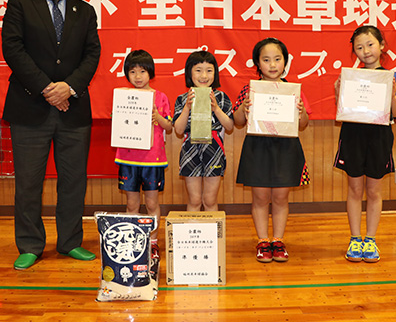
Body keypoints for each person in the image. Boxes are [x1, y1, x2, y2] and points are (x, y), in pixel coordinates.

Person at [2, 0, 101, 270]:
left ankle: (70, 241)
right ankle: (30, 244)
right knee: (28, 182)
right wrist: (47, 88)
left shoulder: (84, 11)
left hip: (74, 110)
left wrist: (69, 88)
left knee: (73, 180)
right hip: (29, 108)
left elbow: (92, 55)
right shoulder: (19, 5)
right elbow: (13, 51)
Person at [233, 38, 312, 263]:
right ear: (258, 63)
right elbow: (238, 121)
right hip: (258, 146)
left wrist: (300, 112)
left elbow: (304, 123)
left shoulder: (292, 90)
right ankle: (262, 241)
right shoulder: (250, 89)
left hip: (286, 147)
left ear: (285, 62)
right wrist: (243, 107)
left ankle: (278, 240)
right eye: (266, 60)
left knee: (280, 196)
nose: (272, 64)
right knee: (260, 197)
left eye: (277, 59)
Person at [333, 26, 396, 263]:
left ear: (382, 45)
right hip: (353, 136)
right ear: (354, 52)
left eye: (370, 44)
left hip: (379, 139)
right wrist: (338, 94)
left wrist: (393, 94)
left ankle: (370, 239)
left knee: (374, 191)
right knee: (354, 189)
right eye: (359, 47)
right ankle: (355, 238)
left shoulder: (392, 77)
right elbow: (343, 111)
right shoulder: (351, 77)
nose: (366, 51)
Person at [114, 50, 172, 260]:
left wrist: (158, 116)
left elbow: (169, 126)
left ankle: (153, 241)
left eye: (142, 71)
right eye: (132, 72)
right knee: (131, 204)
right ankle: (133, 241)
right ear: (127, 74)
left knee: (152, 204)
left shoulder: (161, 97)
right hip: (127, 158)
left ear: (151, 73)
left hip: (153, 159)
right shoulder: (123, 96)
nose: (138, 76)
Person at [173, 51, 234, 212]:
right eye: (198, 70)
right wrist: (187, 107)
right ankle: (192, 236)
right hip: (189, 150)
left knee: (209, 200)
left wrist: (216, 108)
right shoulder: (182, 99)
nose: (204, 75)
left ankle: (212, 237)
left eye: (209, 70)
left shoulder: (221, 97)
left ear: (215, 73)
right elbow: (178, 130)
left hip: (214, 149)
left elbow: (229, 126)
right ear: (189, 73)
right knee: (194, 200)